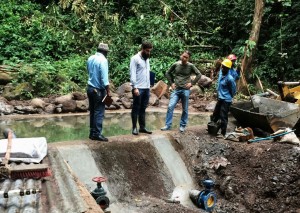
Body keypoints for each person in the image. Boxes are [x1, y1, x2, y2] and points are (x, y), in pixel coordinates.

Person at [161, 50, 202, 132]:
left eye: (186, 57)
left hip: (185, 90)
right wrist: (171, 83)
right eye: (183, 56)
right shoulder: (176, 64)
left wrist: (192, 83)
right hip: (176, 90)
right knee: (170, 107)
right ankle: (167, 125)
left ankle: (182, 126)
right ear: (181, 56)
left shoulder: (191, 66)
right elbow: (168, 73)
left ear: (188, 58)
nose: (184, 58)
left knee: (185, 109)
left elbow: (199, 74)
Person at [87, 43, 110, 142]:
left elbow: (89, 71)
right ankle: (97, 133)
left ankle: (92, 133)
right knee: (99, 112)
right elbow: (104, 78)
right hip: (98, 90)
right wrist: (108, 91)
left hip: (90, 88)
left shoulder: (91, 58)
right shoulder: (103, 60)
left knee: (93, 111)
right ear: (104, 52)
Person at [130, 41, 153, 135]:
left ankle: (142, 127)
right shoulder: (135, 59)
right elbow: (132, 74)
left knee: (143, 108)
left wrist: (149, 85)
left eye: (150, 51)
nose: (149, 53)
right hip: (138, 88)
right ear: (142, 49)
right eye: (147, 51)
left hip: (146, 88)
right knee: (136, 108)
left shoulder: (147, 59)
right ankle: (134, 128)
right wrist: (134, 87)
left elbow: (147, 72)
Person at [211, 58, 236, 137]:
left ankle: (223, 132)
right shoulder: (221, 73)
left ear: (228, 69)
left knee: (223, 116)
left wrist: (230, 97)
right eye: (222, 66)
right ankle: (213, 128)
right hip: (220, 98)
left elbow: (233, 90)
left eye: (225, 67)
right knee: (215, 113)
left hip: (226, 100)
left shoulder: (230, 79)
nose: (223, 68)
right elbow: (218, 84)